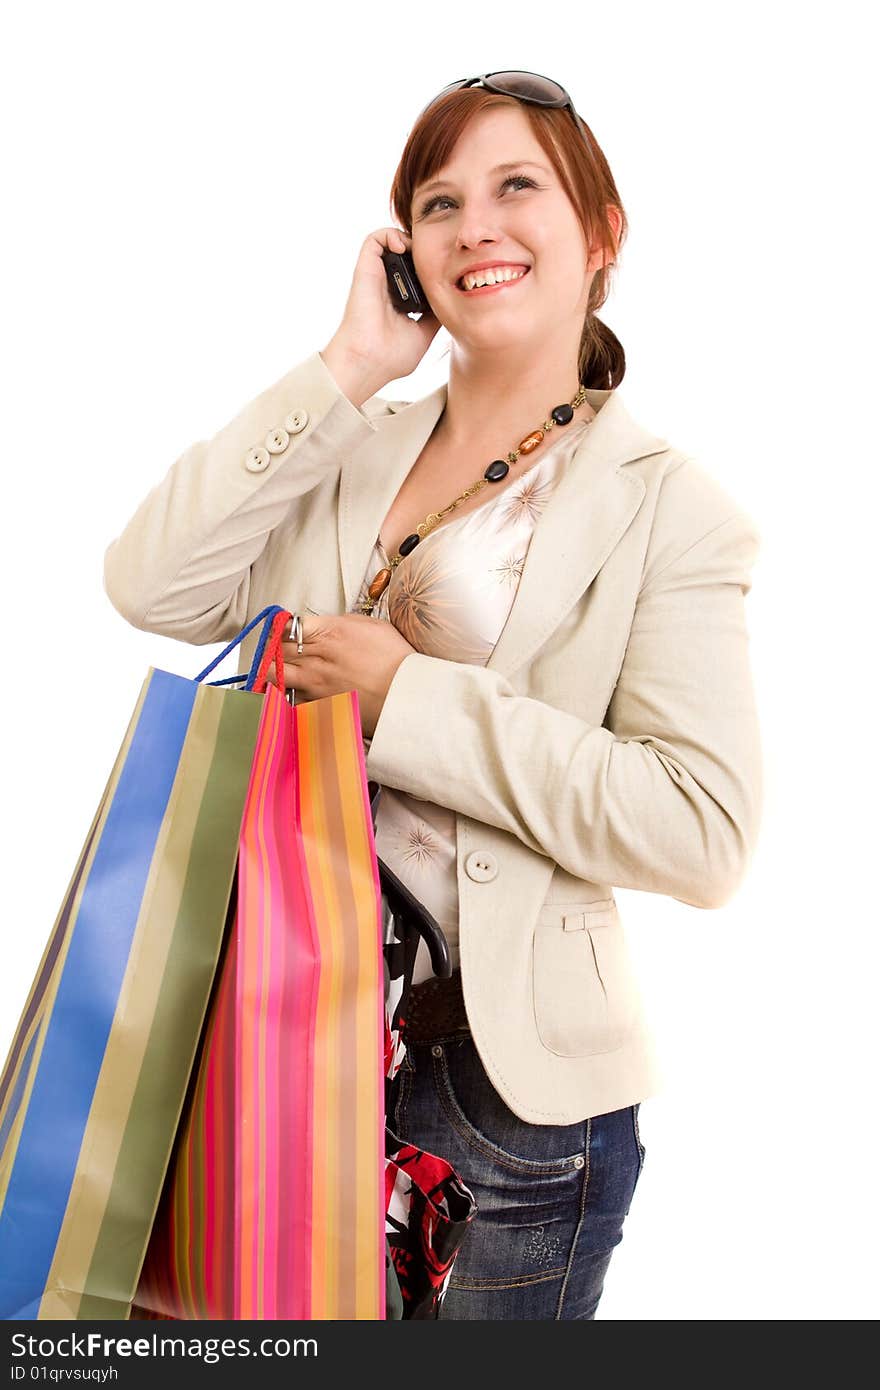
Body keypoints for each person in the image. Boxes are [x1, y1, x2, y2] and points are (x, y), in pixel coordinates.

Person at [103, 71, 763, 1320]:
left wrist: (407, 698)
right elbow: (150, 584)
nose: (476, 227)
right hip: (253, 1033)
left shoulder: (669, 506)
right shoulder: (343, 438)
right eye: (439, 200)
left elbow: (701, 830)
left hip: (494, 1095)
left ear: (600, 235)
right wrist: (351, 363)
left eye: (519, 187)